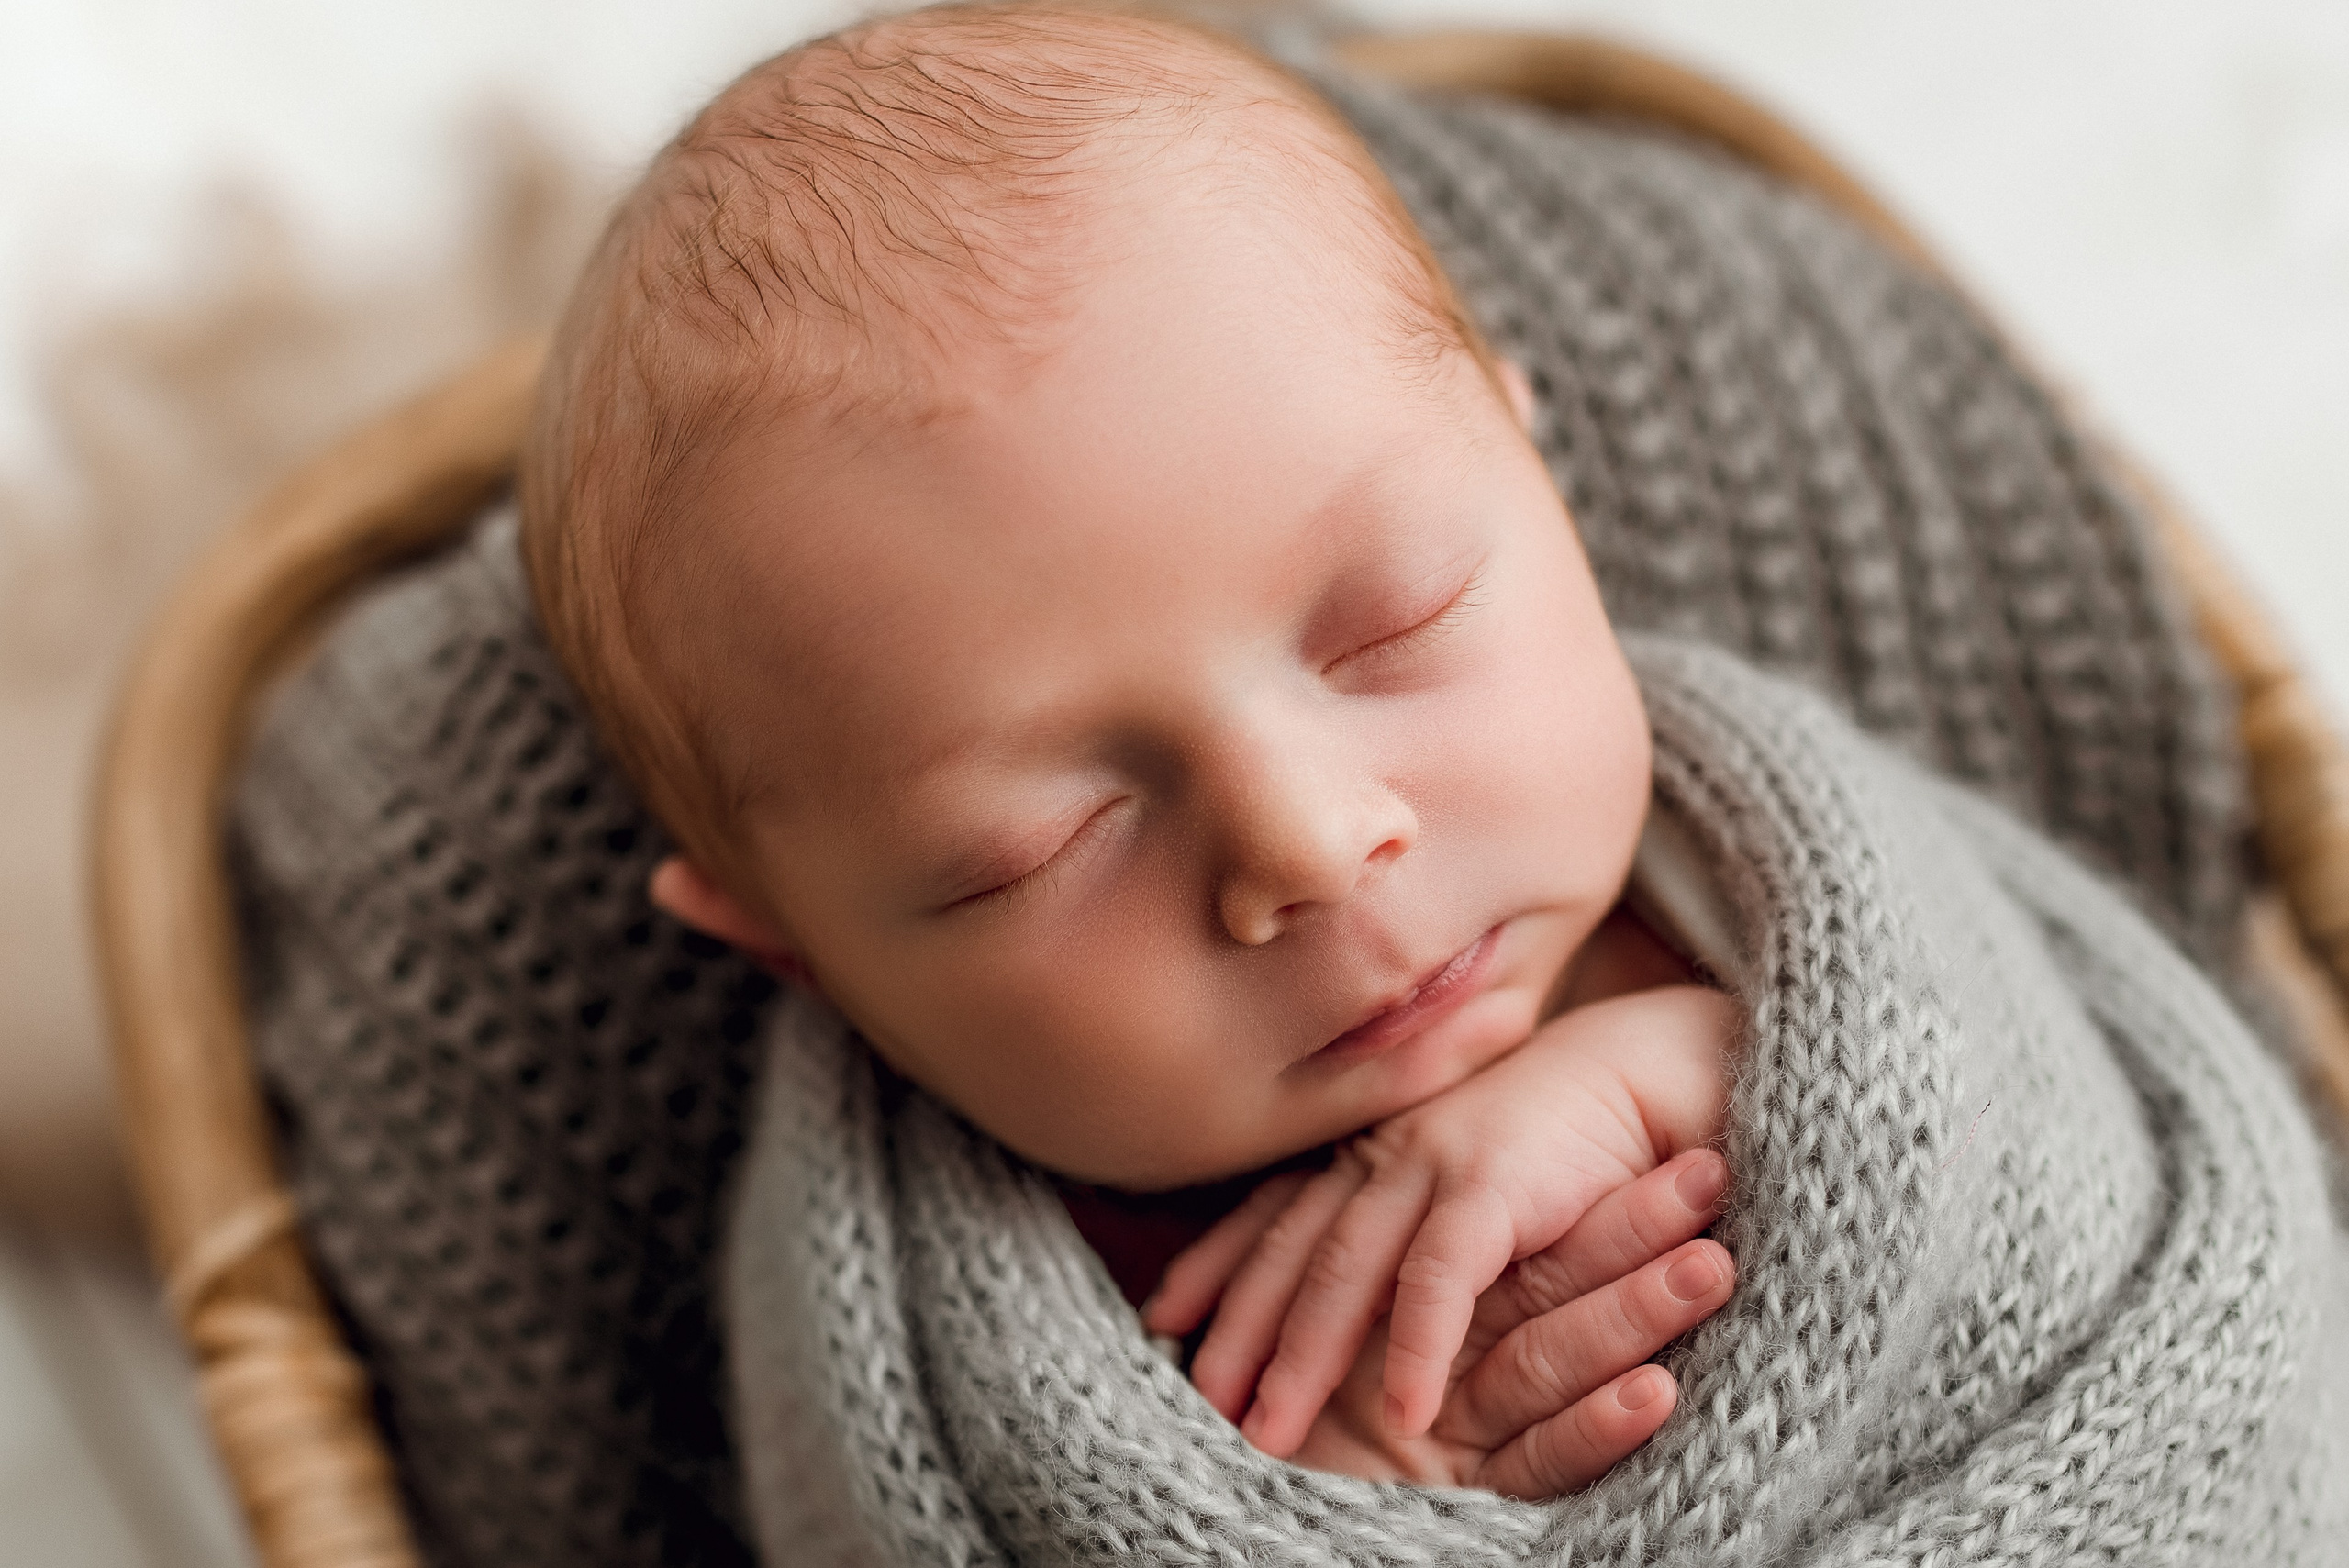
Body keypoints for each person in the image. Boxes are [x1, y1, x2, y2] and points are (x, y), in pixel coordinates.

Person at [518, 0, 1741, 1498]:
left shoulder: (1761, 893)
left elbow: (2063, 1065)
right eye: (1047, 843)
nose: (1307, 841)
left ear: (1529, 459)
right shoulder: (941, 1333)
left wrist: (1725, 1065)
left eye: (1394, 624)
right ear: (797, 948)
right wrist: (1344, 1485)